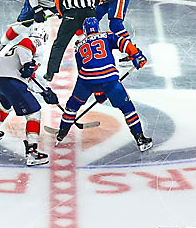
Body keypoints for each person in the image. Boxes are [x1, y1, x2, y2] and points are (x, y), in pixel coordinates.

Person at [52, 18, 153, 152]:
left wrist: (97, 91)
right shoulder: (106, 35)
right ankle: (140, 139)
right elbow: (123, 42)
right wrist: (136, 55)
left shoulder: (78, 46)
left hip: (86, 81)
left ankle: (61, 133)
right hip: (109, 79)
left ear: (85, 31)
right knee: (127, 108)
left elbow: (81, 69)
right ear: (97, 28)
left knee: (72, 106)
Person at [0, 22, 55, 166]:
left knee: (5, 105)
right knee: (34, 113)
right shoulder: (35, 42)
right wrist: (28, 63)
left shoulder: (20, 49)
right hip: (11, 81)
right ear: (44, 35)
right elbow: (25, 45)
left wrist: (44, 91)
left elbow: (28, 78)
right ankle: (32, 153)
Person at [42, 0, 103, 76]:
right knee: (95, 41)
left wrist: (63, 13)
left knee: (59, 44)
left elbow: (58, 0)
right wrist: (92, 7)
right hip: (89, 15)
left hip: (71, 15)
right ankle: (100, 67)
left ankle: (50, 73)